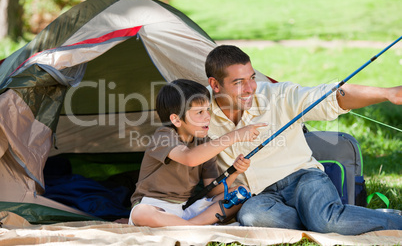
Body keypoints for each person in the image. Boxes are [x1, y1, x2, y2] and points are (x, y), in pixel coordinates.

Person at [205, 45, 402, 235]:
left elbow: (330, 97)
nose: (250, 88)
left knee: (325, 221)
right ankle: (325, 220)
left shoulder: (277, 95)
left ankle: (345, 221)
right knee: (251, 217)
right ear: (215, 85)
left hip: (303, 178)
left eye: (252, 78)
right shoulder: (198, 110)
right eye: (239, 82)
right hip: (261, 196)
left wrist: (387, 93)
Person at [128, 79, 266, 227]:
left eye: (208, 110)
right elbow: (190, 158)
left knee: (240, 192)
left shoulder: (205, 144)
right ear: (176, 120)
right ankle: (193, 228)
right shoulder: (163, 136)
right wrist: (235, 135)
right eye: (199, 112)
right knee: (140, 213)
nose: (207, 116)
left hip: (186, 210)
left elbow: (213, 191)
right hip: (156, 208)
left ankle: (190, 226)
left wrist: (235, 171)